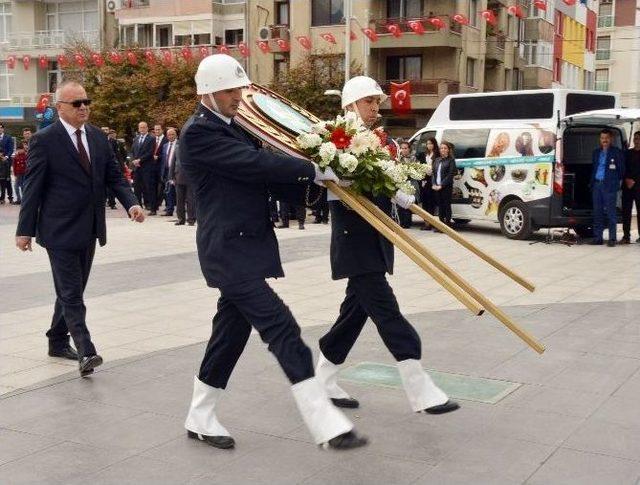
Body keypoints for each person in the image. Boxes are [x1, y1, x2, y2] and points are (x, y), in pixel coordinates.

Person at [179, 54, 367, 451]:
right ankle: (324, 420)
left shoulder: (235, 128)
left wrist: (324, 186)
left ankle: (200, 413)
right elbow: (254, 164)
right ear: (209, 93)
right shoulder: (198, 133)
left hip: (246, 245)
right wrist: (313, 169)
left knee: (229, 334)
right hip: (227, 250)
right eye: (229, 90)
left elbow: (265, 178)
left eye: (240, 89)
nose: (237, 97)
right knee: (280, 325)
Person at [316, 76, 459, 418]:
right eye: (368, 102)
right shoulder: (334, 140)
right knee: (385, 309)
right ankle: (419, 387)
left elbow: (377, 176)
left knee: (353, 314)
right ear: (350, 104)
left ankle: (321, 379)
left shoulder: (375, 140)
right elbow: (331, 180)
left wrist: (398, 191)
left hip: (376, 233)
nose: (374, 108)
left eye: (376, 103)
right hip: (355, 238)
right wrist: (338, 175)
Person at [15, 80, 145, 376]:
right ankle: (87, 351)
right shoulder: (44, 141)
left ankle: (57, 339)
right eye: (77, 103)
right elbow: (32, 188)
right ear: (60, 108)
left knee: (71, 289)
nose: (84, 107)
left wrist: (131, 203)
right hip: (58, 230)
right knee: (72, 293)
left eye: (86, 102)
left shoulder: (98, 138)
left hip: (89, 229)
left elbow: (114, 175)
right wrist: (24, 231)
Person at [590, 129, 625, 246]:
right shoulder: (596, 152)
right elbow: (594, 168)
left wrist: (614, 182)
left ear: (611, 139)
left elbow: (621, 170)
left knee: (611, 213)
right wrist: (592, 183)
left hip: (609, 186)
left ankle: (612, 238)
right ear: (600, 139)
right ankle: (598, 238)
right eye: (602, 138)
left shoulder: (617, 152)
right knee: (597, 212)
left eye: (606, 138)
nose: (604, 140)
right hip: (597, 185)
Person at [168, 129, 196, 226]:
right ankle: (181, 219)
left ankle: (191, 219)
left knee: (190, 199)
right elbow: (173, 163)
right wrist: (171, 177)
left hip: (190, 178)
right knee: (179, 200)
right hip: (178, 177)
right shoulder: (177, 147)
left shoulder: (193, 148)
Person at [131, 121, 156, 214]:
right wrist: (134, 160)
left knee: (149, 188)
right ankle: (138, 208)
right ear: (138, 128)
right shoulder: (136, 139)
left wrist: (140, 160)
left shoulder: (151, 138)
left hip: (147, 167)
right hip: (137, 168)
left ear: (147, 128)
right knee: (137, 188)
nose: (142, 129)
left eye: (144, 127)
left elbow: (150, 152)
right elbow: (132, 151)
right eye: (140, 127)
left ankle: (153, 208)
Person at [432, 141, 457, 228]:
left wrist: (441, 185)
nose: (443, 150)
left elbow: (450, 175)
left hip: (446, 187)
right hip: (437, 187)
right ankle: (441, 225)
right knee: (440, 206)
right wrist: (434, 184)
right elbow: (433, 174)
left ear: (448, 150)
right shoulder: (437, 160)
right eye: (441, 148)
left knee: (446, 206)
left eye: (445, 148)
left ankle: (447, 225)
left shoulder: (451, 161)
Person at [621, 131, 640, 244]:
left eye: (638, 139)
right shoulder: (627, 153)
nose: (637, 141)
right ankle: (626, 236)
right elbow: (622, 168)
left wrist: (635, 181)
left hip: (639, 187)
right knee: (626, 212)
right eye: (635, 138)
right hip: (627, 187)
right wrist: (627, 179)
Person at [419, 137, 440, 231]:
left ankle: (431, 222)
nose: (429, 145)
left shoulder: (437, 154)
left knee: (432, 202)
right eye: (427, 144)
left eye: (431, 143)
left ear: (434, 144)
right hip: (425, 180)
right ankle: (426, 223)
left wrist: (432, 171)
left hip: (433, 180)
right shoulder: (424, 154)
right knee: (425, 202)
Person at [397, 141, 416, 228]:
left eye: (406, 148)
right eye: (402, 148)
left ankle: (407, 222)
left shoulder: (413, 158)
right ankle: (401, 221)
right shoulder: (398, 158)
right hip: (400, 182)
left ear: (409, 149)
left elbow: (413, 170)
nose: (404, 150)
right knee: (400, 202)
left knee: (408, 202)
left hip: (409, 182)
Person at [160, 127, 178, 218]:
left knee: (178, 192)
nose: (170, 136)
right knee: (168, 191)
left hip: (176, 171)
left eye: (172, 134)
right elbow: (163, 160)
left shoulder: (179, 145)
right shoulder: (165, 146)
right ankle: (169, 209)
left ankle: (180, 211)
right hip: (167, 171)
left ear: (176, 135)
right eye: (169, 135)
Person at [152, 123, 168, 212]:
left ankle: (167, 204)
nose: (157, 131)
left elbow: (167, 153)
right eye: (155, 130)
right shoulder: (152, 139)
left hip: (162, 166)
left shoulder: (166, 140)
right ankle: (155, 205)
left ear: (162, 130)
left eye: (158, 129)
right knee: (154, 186)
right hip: (152, 167)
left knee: (163, 186)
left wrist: (158, 157)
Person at [12, 140, 28, 204]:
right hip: (18, 174)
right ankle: (19, 199)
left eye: (20, 149)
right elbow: (14, 166)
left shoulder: (26, 156)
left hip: (24, 173)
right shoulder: (16, 157)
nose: (19, 151)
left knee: (23, 186)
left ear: (23, 149)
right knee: (16, 186)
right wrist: (15, 174)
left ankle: (23, 199)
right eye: (18, 149)